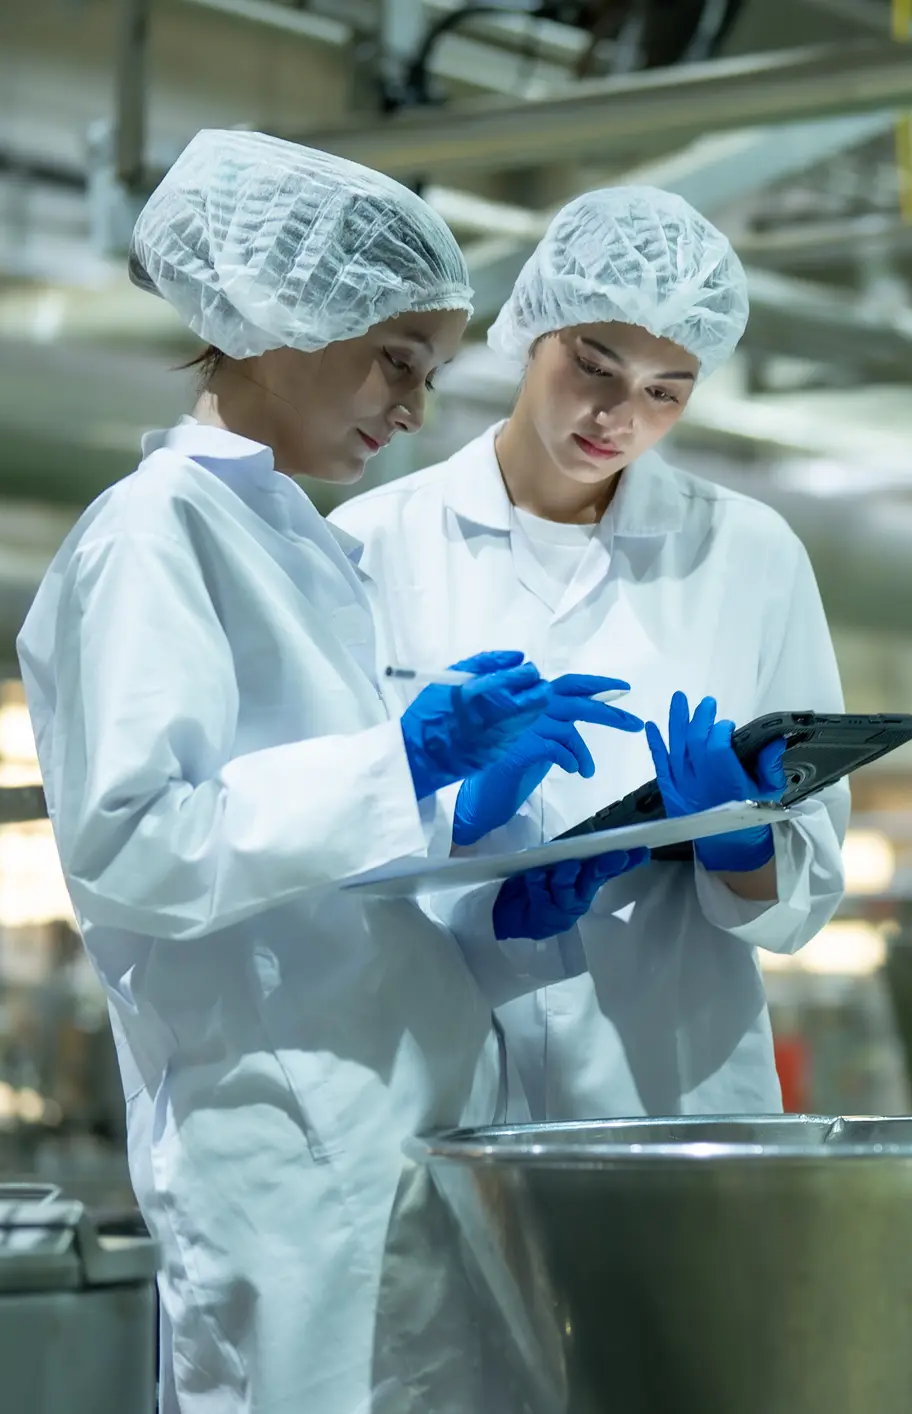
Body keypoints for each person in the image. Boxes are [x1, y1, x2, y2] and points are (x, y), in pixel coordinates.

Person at [16, 130, 642, 1414]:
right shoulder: (153, 535)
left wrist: (498, 889)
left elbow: (328, 872)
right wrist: (401, 758)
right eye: (396, 360)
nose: (413, 408)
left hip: (396, 1122)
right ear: (279, 318)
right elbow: (137, 845)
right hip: (288, 1157)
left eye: (430, 372)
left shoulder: (292, 541)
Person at [333, 186, 847, 1120]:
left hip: (673, 1089)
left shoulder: (749, 555)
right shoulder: (372, 543)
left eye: (664, 393)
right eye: (594, 366)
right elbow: (311, 837)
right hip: (431, 1079)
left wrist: (739, 842)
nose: (618, 416)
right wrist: (465, 827)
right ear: (534, 328)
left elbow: (808, 882)